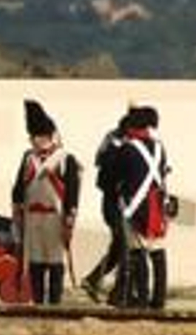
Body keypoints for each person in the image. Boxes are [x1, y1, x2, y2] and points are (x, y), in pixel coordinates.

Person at [11, 100, 82, 305]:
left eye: (39, 136)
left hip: (55, 216)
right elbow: (18, 187)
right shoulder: (28, 158)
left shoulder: (64, 158)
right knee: (35, 262)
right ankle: (38, 302)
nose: (35, 140)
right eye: (33, 136)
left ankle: (55, 303)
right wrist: (16, 207)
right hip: (32, 217)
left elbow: (72, 191)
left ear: (50, 136)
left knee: (55, 262)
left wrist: (69, 218)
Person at [118, 106, 172, 309]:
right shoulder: (159, 147)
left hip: (136, 206)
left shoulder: (127, 148)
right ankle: (159, 299)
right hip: (157, 205)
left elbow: (118, 177)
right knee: (157, 252)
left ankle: (142, 299)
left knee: (138, 252)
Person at [83, 113, 131, 305]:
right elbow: (106, 177)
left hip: (114, 203)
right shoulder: (116, 145)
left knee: (119, 246)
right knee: (125, 246)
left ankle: (94, 280)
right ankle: (118, 293)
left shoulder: (111, 140)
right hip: (115, 203)